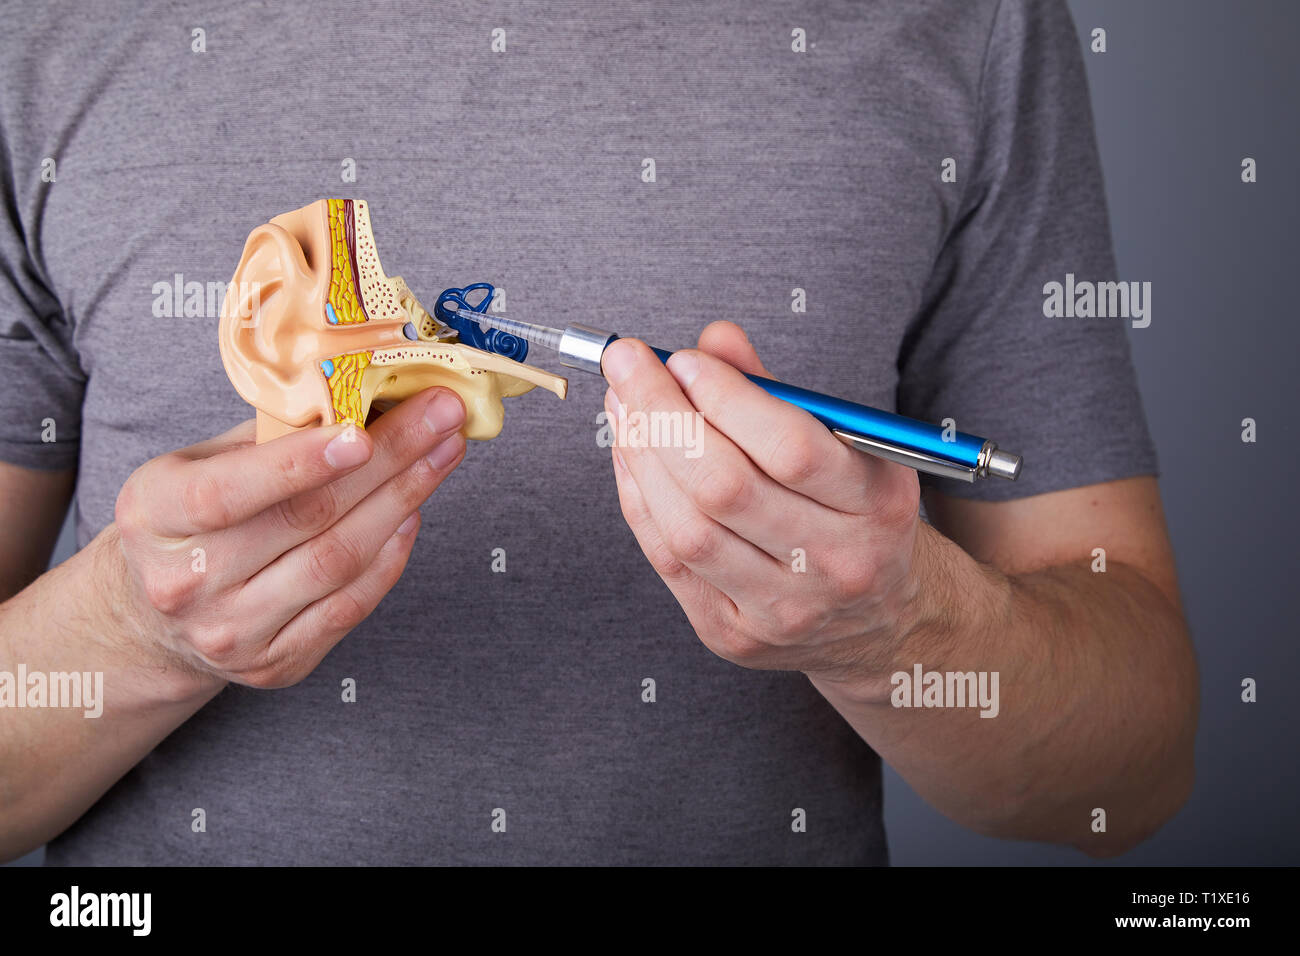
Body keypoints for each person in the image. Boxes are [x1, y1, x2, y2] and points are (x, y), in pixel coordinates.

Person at [0, 0, 1195, 865]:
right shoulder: (39, 35)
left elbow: (1130, 771)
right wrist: (131, 629)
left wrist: (896, 624)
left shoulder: (966, 24)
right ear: (270, 316)